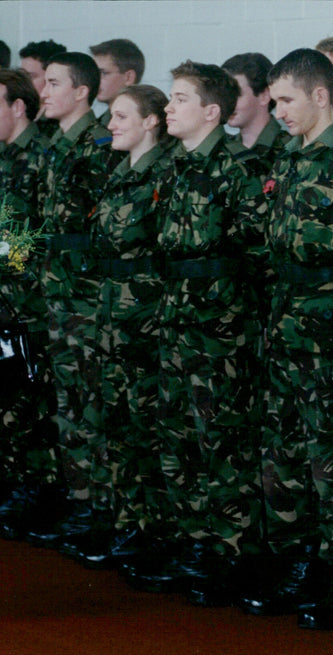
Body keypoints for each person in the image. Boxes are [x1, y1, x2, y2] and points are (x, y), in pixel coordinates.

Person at [239, 47, 333, 625]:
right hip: (285, 326)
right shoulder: (288, 158)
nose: (279, 111)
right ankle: (297, 562)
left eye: (287, 100)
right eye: (273, 100)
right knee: (283, 455)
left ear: (321, 96)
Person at [121, 61, 265, 608]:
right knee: (179, 437)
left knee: (220, 440)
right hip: (175, 319)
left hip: (219, 327)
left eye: (179, 99)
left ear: (212, 111)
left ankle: (230, 550)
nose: (168, 109)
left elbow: (256, 253)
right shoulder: (172, 169)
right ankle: (192, 538)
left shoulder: (239, 170)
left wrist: (235, 319)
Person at [75, 84, 176, 569]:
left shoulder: (166, 174)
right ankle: (126, 521)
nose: (110, 124)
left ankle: (156, 530)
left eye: (120, 116)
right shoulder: (117, 172)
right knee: (114, 422)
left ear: (151, 122)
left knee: (147, 427)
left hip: (147, 320)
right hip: (111, 316)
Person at [0, 68, 58, 540]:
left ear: (18, 107)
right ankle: (9, 480)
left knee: (33, 401)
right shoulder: (2, 157)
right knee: (5, 397)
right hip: (1, 300)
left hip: (31, 302)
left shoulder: (43, 156)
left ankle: (38, 491)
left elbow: (49, 234)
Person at [35, 51, 117, 550]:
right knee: (68, 399)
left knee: (92, 400)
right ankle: (79, 497)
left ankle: (101, 508)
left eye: (53, 83)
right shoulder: (57, 142)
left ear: (81, 91)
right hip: (58, 288)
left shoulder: (101, 142)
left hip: (85, 291)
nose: (43, 91)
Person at [221, 52, 290, 173]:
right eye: (224, 95)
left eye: (236, 94)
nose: (227, 103)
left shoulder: (289, 150)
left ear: (264, 95)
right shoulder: (224, 151)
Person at [89, 38, 145, 126]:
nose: (95, 79)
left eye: (103, 73)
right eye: (94, 73)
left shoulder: (145, 123)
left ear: (128, 78)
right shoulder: (100, 123)